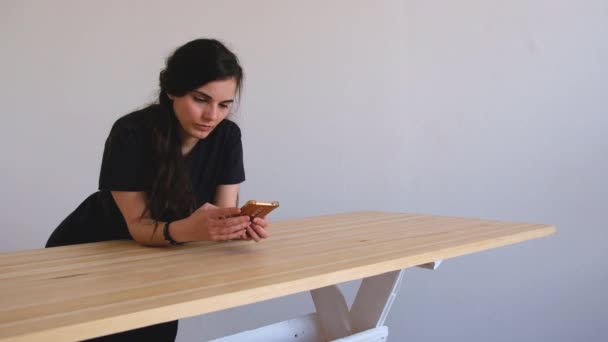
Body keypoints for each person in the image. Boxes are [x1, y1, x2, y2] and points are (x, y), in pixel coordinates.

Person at [45, 38, 269, 341]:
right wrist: (196, 229)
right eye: (201, 99)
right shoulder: (131, 132)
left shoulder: (228, 136)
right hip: (89, 254)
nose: (212, 116)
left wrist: (234, 226)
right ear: (171, 91)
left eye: (224, 105)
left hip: (161, 261)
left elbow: (219, 213)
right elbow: (139, 226)